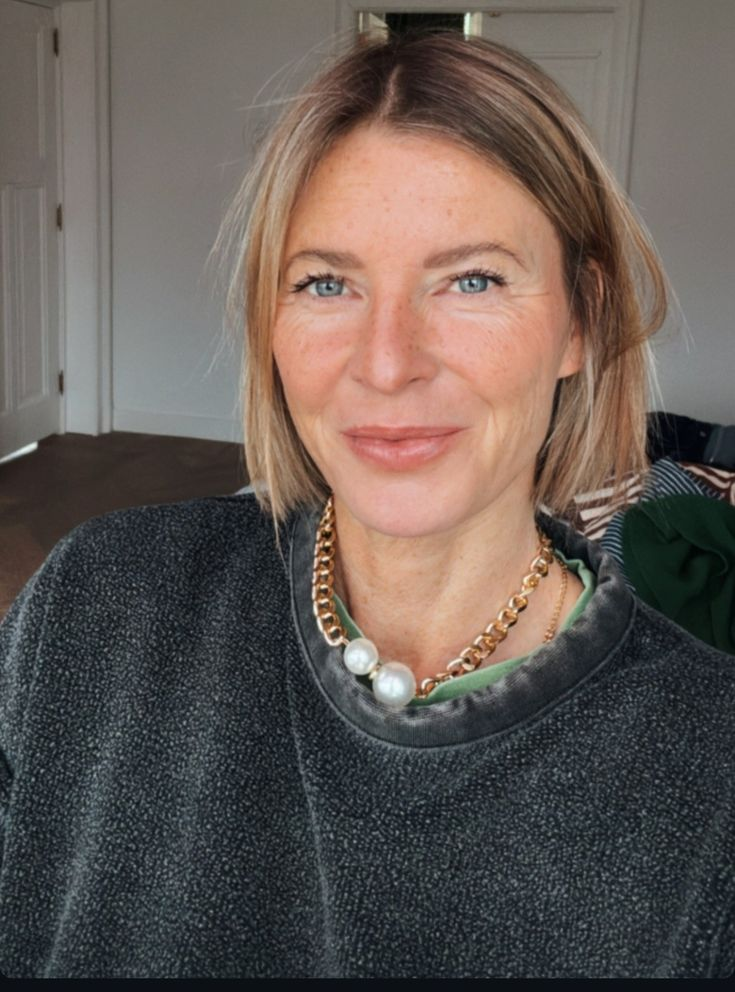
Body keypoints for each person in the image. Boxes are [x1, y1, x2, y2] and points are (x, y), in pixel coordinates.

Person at [0, 31, 733, 979]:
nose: (387, 364)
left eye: (471, 279)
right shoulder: (99, 602)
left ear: (579, 320)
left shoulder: (707, 766)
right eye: (326, 283)